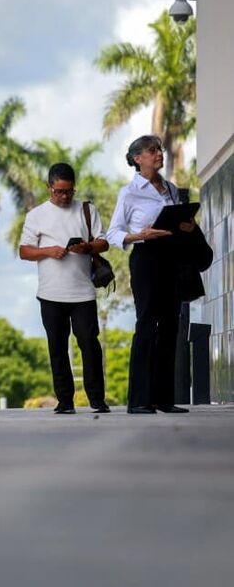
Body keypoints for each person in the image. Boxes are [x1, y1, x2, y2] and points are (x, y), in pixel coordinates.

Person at [107, 135, 196, 414]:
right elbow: (113, 233)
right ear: (137, 159)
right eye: (152, 151)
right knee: (147, 323)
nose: (159, 154)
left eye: (159, 150)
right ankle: (139, 400)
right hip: (146, 258)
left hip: (172, 260)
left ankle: (164, 399)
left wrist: (188, 226)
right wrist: (139, 235)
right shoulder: (129, 192)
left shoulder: (169, 188)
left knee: (171, 326)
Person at [19, 163, 111, 414]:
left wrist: (87, 248)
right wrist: (48, 251)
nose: (64, 196)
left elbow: (104, 242)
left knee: (89, 344)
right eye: (59, 191)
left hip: (83, 292)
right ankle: (65, 400)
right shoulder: (36, 215)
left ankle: (96, 398)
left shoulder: (87, 209)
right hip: (50, 293)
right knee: (57, 346)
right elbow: (24, 251)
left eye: (69, 191)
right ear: (49, 187)